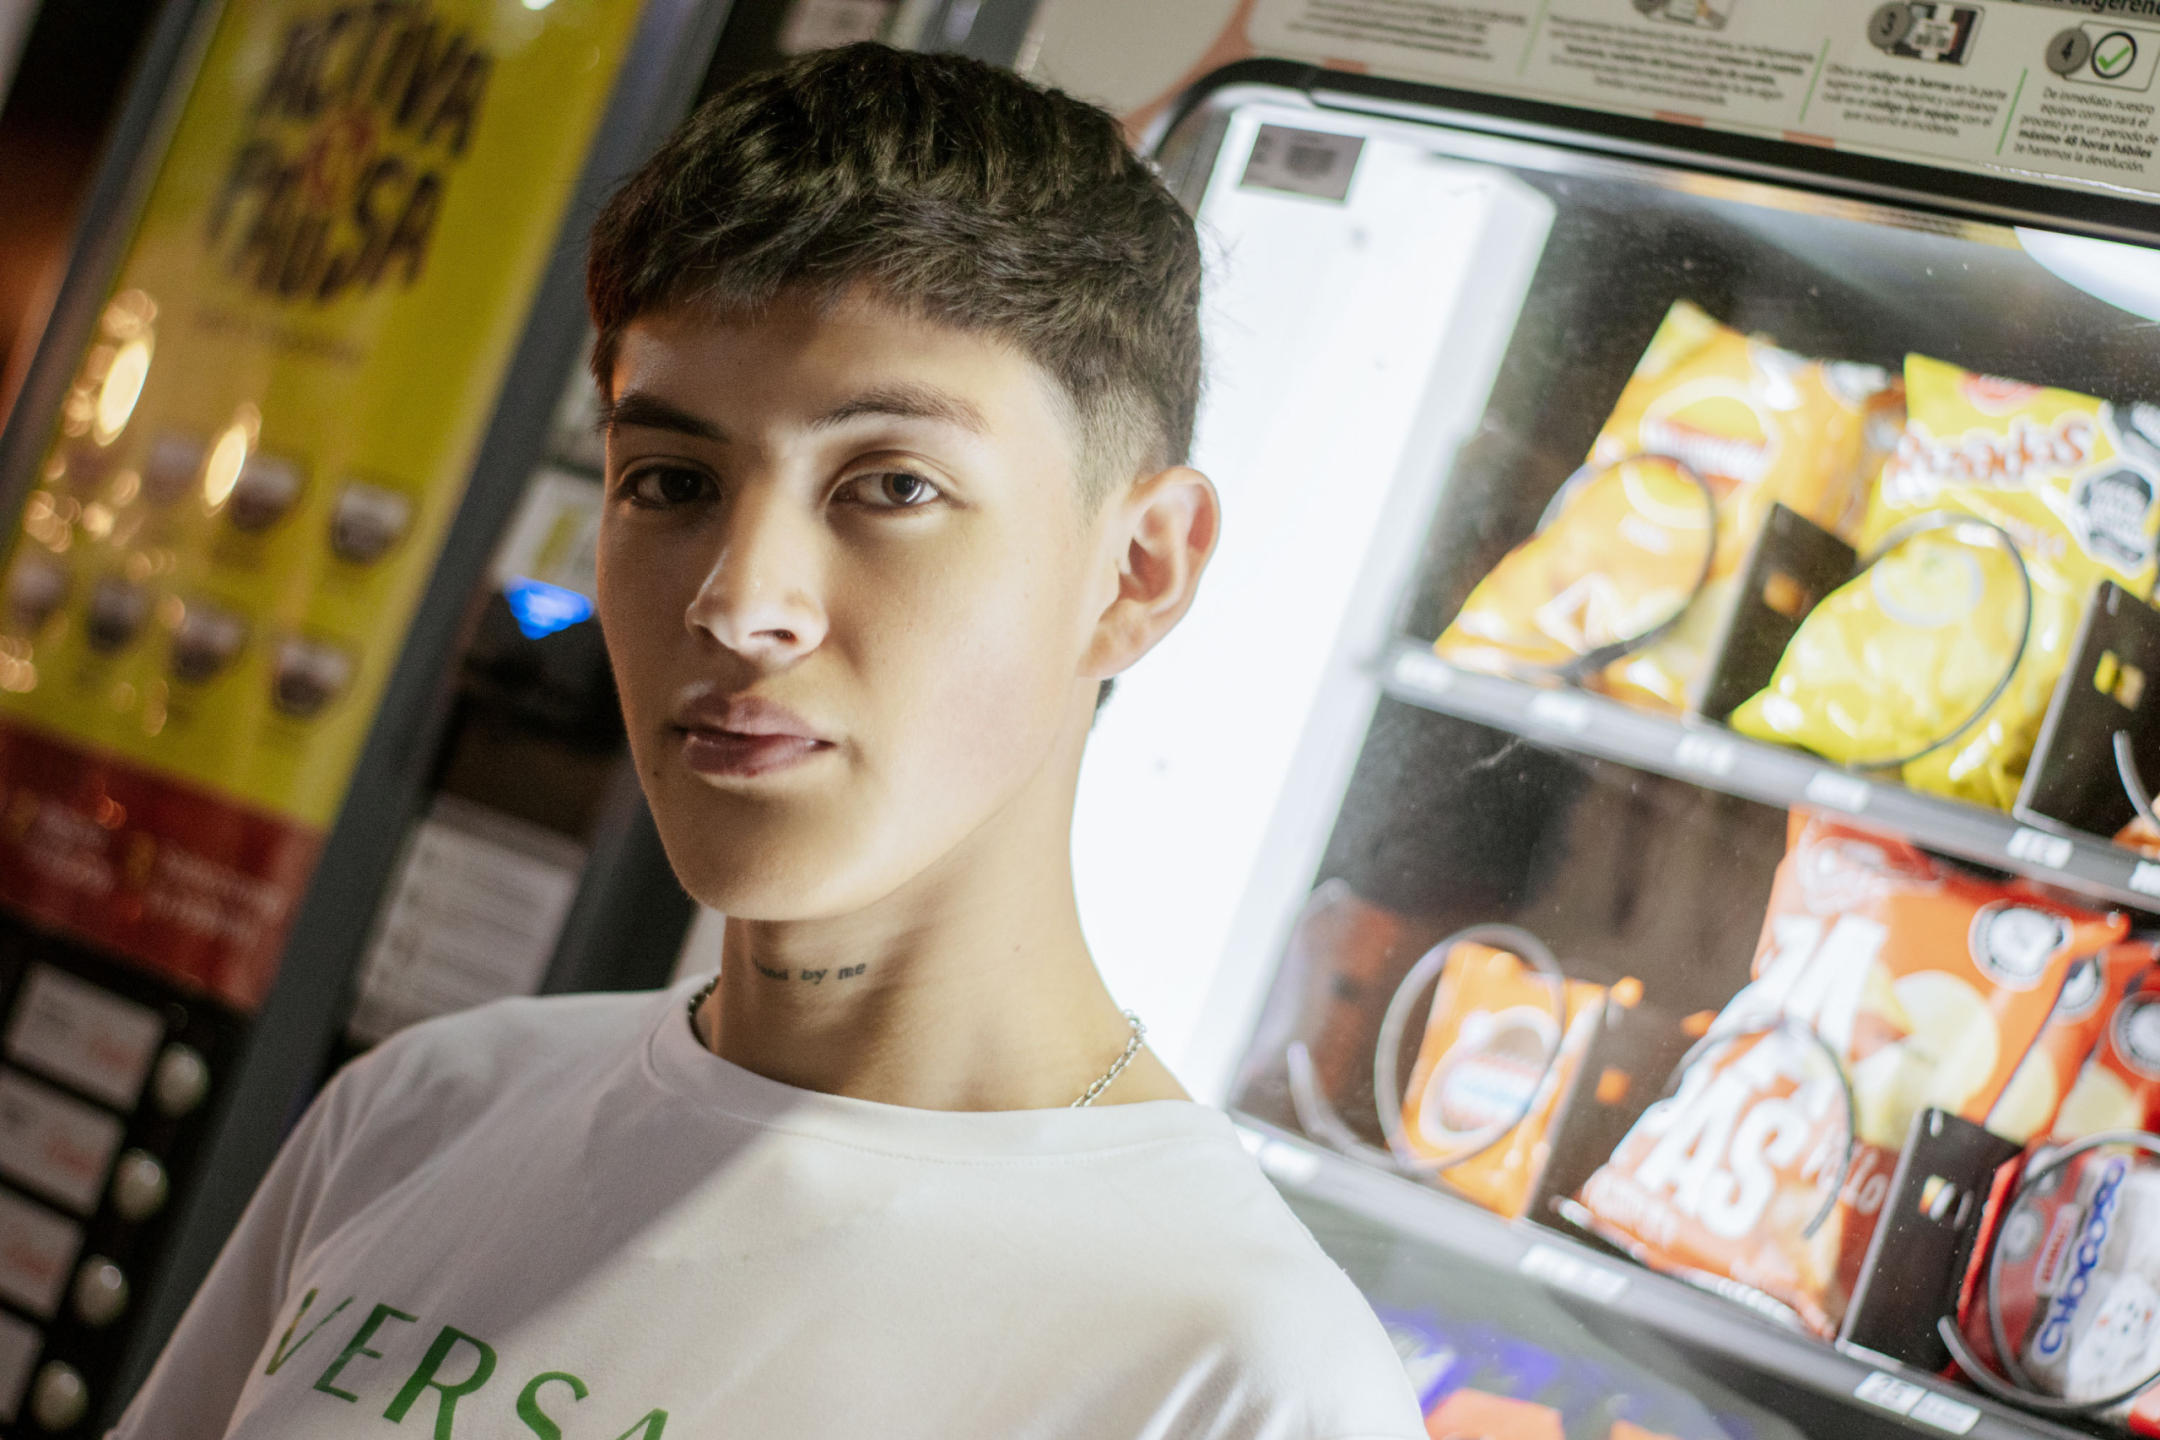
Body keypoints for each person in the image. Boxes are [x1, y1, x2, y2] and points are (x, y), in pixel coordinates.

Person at [111, 42, 1427, 1440]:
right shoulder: (421, 1114)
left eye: (892, 485)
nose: (739, 603)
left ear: (1138, 570)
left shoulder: (1239, 1382)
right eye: (670, 481)